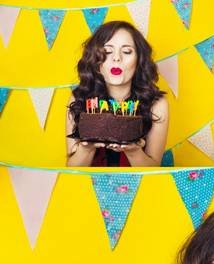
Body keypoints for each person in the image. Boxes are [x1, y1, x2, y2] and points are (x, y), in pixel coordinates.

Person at [66, 21, 168, 167]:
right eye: (107, 51)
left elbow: (153, 171)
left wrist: (134, 151)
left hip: (141, 188)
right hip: (88, 188)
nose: (116, 58)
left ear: (139, 59)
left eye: (126, 51)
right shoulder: (79, 99)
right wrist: (86, 148)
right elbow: (72, 172)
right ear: (95, 59)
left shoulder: (157, 104)